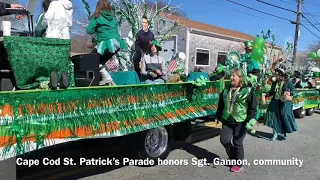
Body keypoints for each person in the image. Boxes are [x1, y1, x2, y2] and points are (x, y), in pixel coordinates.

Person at [216, 68, 258, 173]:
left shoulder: (247, 90)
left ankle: (239, 163)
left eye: (234, 75)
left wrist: (251, 119)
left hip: (241, 121)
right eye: (231, 75)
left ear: (240, 78)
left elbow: (253, 107)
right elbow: (221, 104)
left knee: (237, 142)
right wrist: (218, 115)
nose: (231, 77)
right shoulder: (226, 90)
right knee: (224, 140)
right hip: (227, 119)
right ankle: (233, 157)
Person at [86, 0, 128, 86]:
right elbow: (116, 30)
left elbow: (89, 30)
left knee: (90, 60)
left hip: (106, 44)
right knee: (100, 62)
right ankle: (111, 83)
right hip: (116, 44)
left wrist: (96, 28)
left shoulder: (97, 16)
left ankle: (106, 78)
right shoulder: (112, 17)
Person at [262, 68, 298, 141]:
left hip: (284, 103)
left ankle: (284, 131)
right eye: (275, 74)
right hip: (275, 102)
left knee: (284, 117)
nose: (275, 75)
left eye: (276, 74)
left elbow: (294, 92)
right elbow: (272, 92)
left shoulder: (288, 82)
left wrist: (289, 93)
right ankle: (275, 134)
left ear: (280, 75)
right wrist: (266, 94)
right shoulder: (275, 83)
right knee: (274, 117)